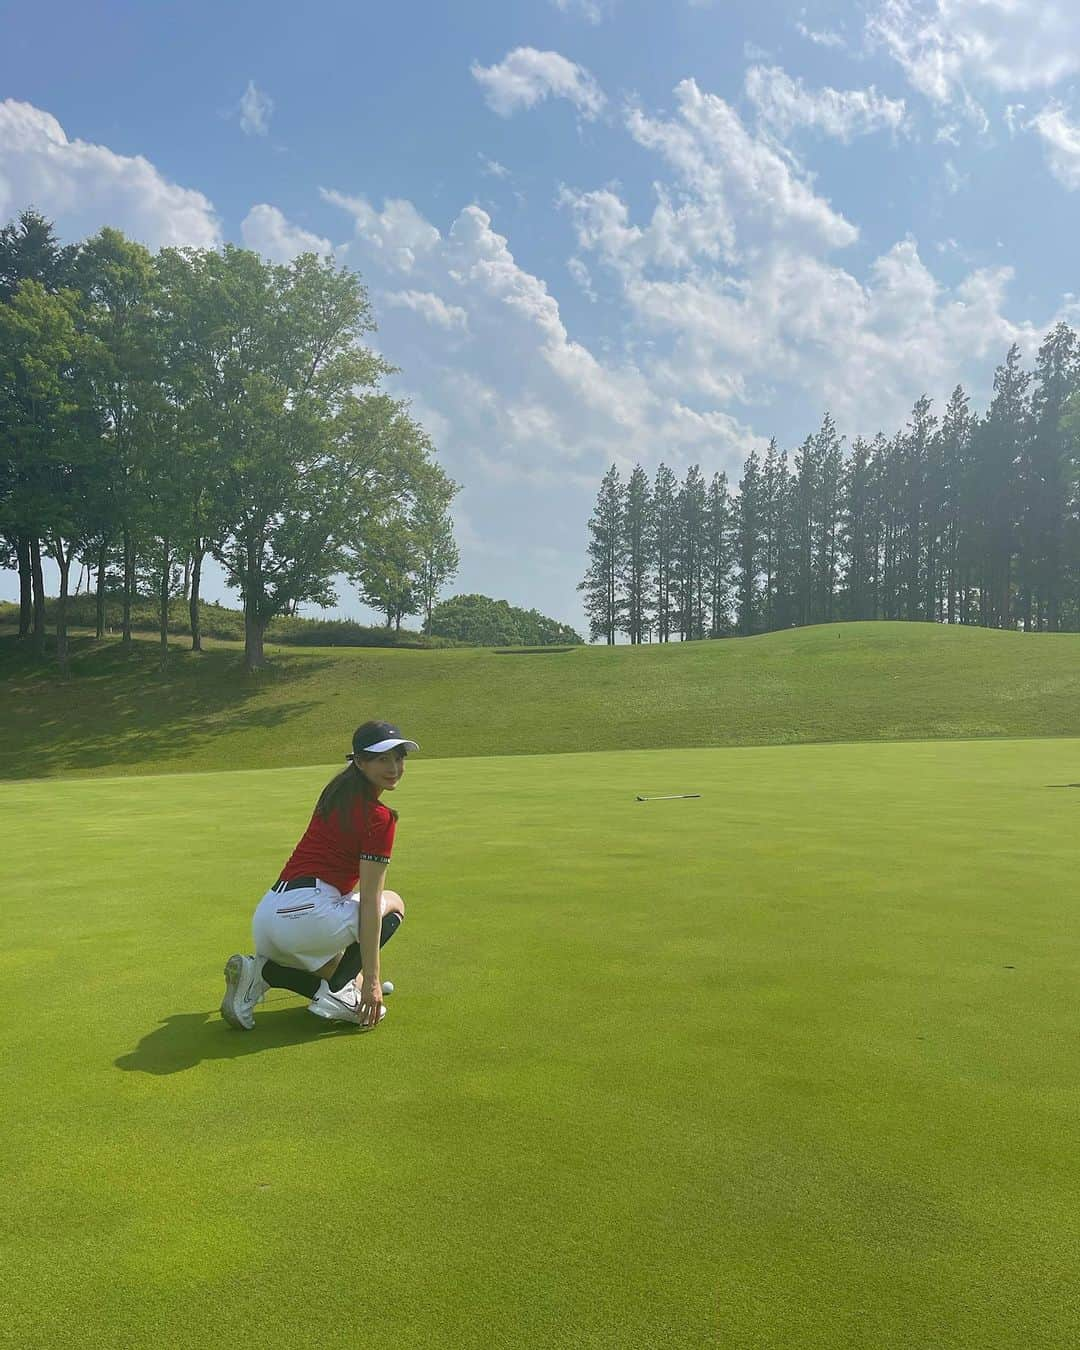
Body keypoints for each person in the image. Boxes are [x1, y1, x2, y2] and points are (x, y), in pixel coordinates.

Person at [220, 720, 418, 1031]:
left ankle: (261, 973)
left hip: (269, 917)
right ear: (361, 761)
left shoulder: (335, 793)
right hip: (306, 918)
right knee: (392, 901)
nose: (394, 767)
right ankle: (339, 989)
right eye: (383, 759)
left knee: (333, 963)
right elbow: (369, 902)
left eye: (399, 757)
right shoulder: (380, 819)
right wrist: (373, 983)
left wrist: (363, 977)